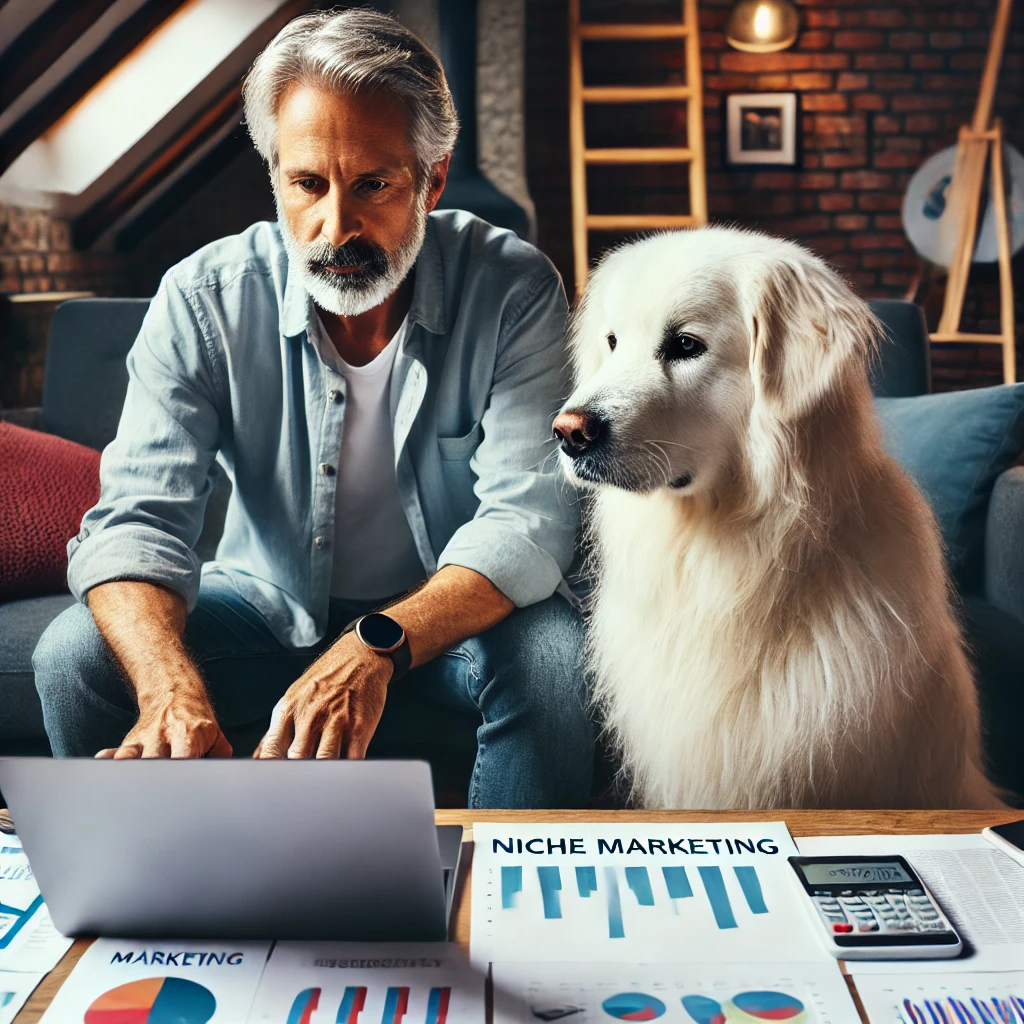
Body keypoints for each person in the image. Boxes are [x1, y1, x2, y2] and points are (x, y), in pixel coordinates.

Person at [32, 9, 593, 808]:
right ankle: (175, 902)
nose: (338, 227)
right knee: (71, 655)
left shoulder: (514, 287)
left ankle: (520, 915)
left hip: (448, 623)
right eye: (307, 184)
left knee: (552, 661)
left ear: (431, 180)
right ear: (275, 177)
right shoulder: (202, 299)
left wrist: (374, 647)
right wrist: (166, 686)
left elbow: (528, 523)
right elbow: (135, 523)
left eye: (373, 185)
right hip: (262, 609)